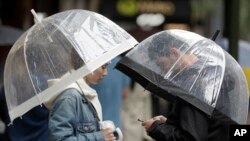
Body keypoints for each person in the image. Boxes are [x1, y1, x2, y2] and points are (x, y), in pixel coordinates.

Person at [140, 32, 231, 141]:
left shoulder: (194, 84)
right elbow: (203, 125)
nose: (162, 71)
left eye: (161, 64)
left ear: (174, 53)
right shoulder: (211, 75)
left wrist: (155, 128)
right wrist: (169, 124)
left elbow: (189, 138)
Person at [47, 49, 116, 141]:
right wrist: (99, 137)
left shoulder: (85, 93)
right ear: (88, 64)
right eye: (103, 67)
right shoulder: (69, 97)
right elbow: (60, 139)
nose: (106, 73)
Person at [91, 56, 131, 128]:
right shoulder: (123, 63)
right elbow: (126, 93)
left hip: (96, 123)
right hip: (115, 123)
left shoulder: (94, 64)